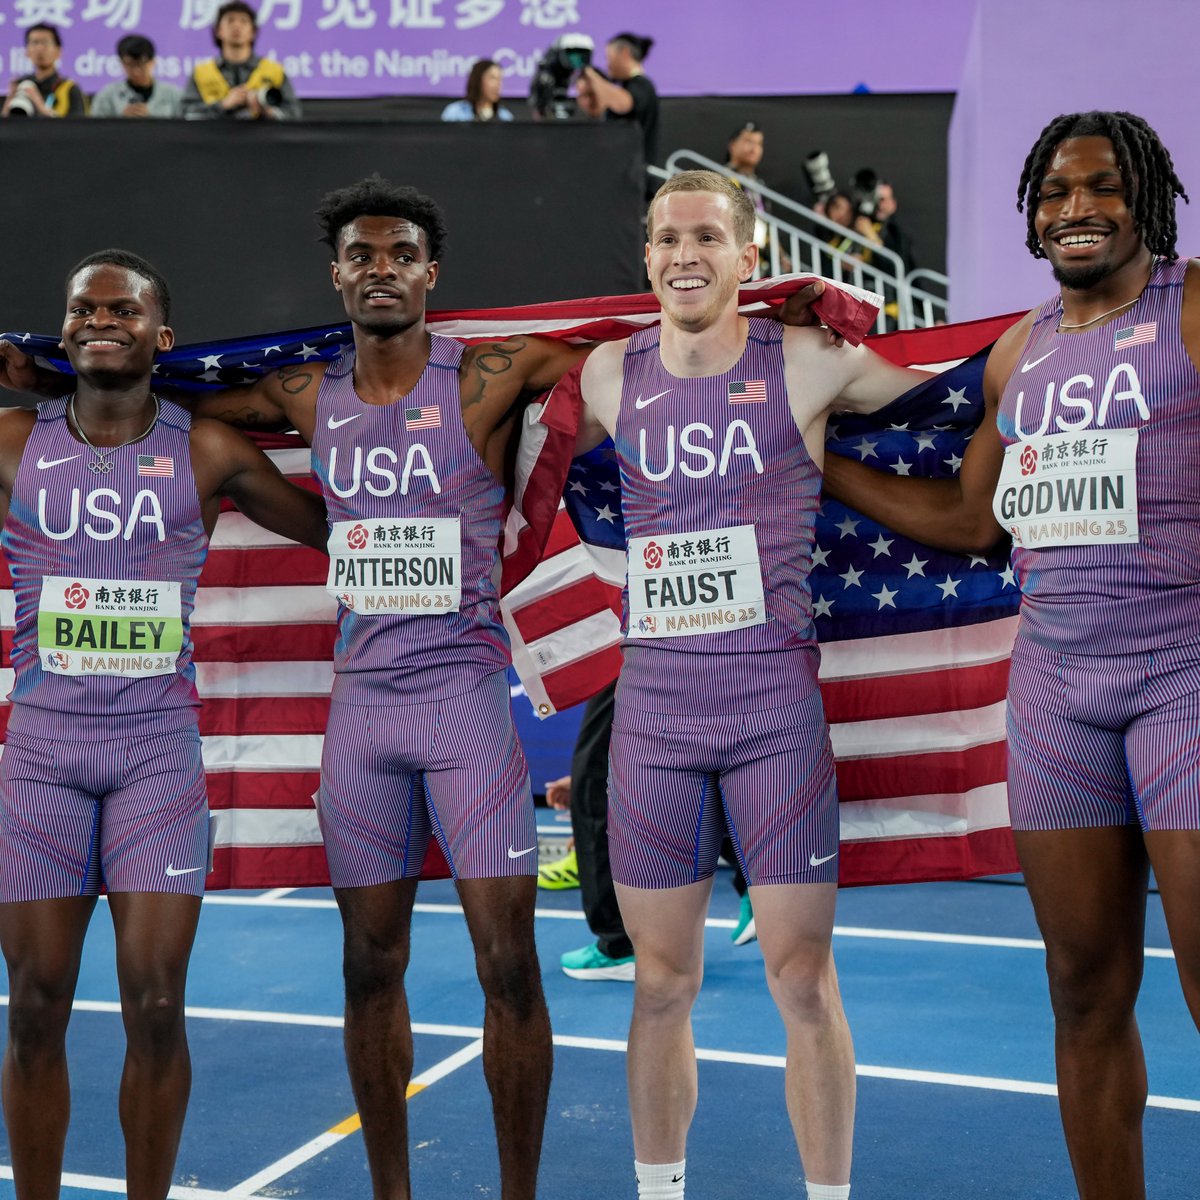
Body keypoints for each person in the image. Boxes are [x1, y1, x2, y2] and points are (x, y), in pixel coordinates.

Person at [821, 110, 1200, 1200]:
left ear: (1146, 201)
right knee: (1083, 990)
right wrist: (812, 461)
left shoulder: (1194, 306)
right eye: (1054, 194)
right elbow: (968, 522)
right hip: (1056, 698)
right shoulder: (1018, 354)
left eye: (1101, 187)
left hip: (1183, 676)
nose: (1076, 209)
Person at [575, 169, 930, 1200]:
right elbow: (485, 408)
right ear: (646, 257)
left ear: (749, 258)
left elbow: (949, 396)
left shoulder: (811, 362)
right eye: (665, 237)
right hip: (655, 723)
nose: (684, 253)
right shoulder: (605, 375)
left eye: (706, 236)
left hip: (774, 719)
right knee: (660, 984)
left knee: (803, 983)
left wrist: (861, 315)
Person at [0, 250, 328, 1200]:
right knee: (32, 1006)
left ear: (163, 337)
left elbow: (341, 527)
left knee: (152, 1003)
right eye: (84, 312)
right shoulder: (16, 444)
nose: (104, 321)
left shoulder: (207, 451)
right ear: (62, 335)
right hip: (44, 761)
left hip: (155, 761)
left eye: (125, 311)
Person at [181, 1, 302, 122]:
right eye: (230, 21)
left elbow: (294, 114)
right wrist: (223, 105)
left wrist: (266, 112)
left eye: (243, 21)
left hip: (263, 138)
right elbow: (185, 114)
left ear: (253, 32)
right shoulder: (202, 73)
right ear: (218, 31)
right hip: (214, 138)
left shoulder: (274, 71)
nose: (237, 26)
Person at [576, 33, 659, 197]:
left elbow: (623, 105)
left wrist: (590, 73)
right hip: (617, 178)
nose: (607, 65)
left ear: (625, 53)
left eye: (609, 57)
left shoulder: (642, 85)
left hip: (634, 182)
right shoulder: (624, 87)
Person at [90, 34, 184, 120]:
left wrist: (152, 121)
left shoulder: (173, 94)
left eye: (141, 64)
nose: (136, 71)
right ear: (121, 63)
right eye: (130, 64)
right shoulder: (108, 95)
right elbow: (96, 129)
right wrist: (120, 121)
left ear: (152, 62)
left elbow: (183, 129)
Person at [2, 24, 86, 118]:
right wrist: (10, 100)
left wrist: (41, 107)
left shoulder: (70, 89)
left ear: (58, 51)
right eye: (34, 43)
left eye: (45, 43)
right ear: (27, 51)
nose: (40, 48)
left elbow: (78, 128)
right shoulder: (22, 85)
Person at [442, 59, 513, 123]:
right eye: (492, 78)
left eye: (500, 79)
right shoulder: (455, 113)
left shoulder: (505, 117)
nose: (498, 85)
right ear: (477, 80)